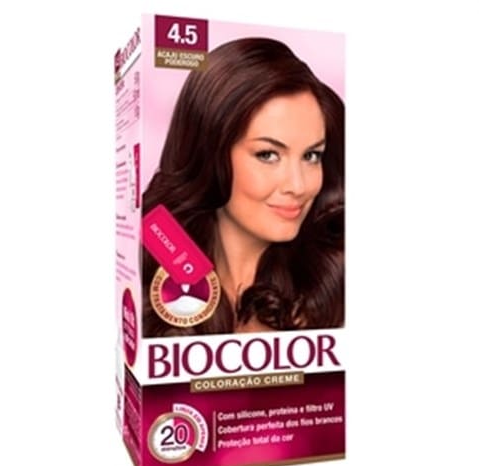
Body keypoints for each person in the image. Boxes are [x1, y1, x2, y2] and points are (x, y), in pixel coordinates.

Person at [142, 37, 344, 337]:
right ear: (210, 154)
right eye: (268, 155)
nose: (298, 185)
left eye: (311, 156)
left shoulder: (333, 285)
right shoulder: (148, 267)